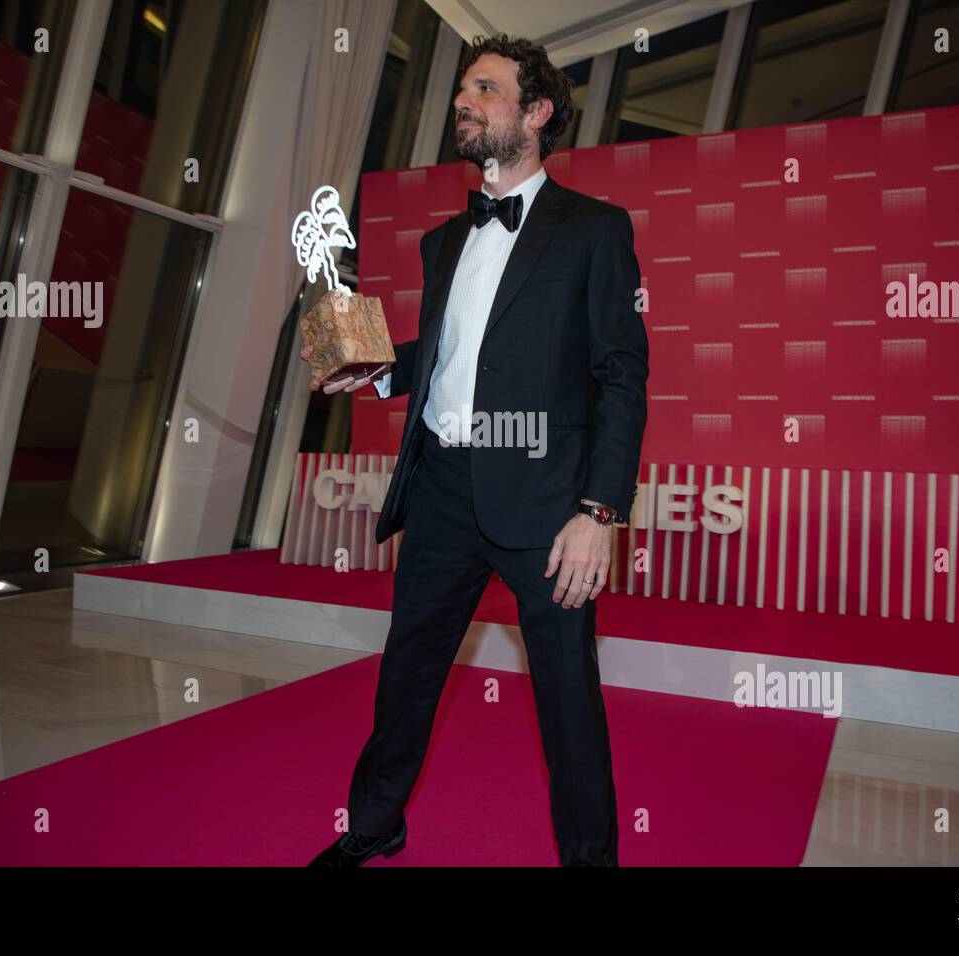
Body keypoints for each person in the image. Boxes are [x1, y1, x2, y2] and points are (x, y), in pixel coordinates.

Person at [304, 33, 648, 867]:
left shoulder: (595, 231)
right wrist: (380, 372)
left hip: (547, 505)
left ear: (535, 114)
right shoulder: (444, 242)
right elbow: (452, 354)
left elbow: (622, 377)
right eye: (462, 89)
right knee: (407, 677)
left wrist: (598, 512)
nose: (465, 101)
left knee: (568, 701)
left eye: (485, 89)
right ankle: (375, 826)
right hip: (445, 492)